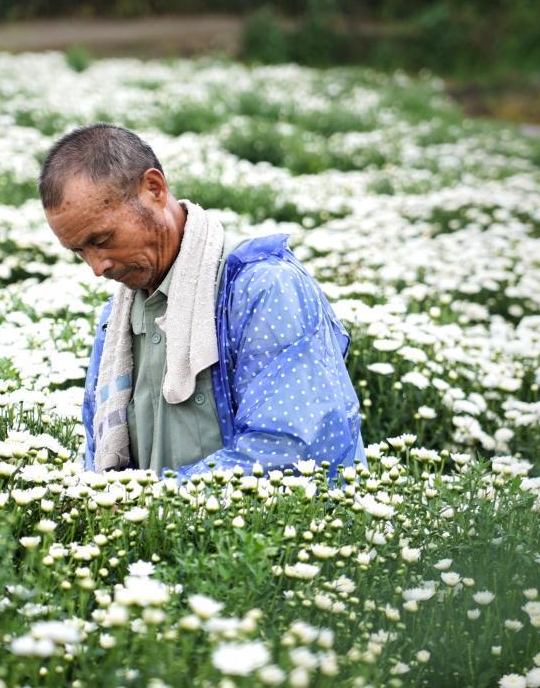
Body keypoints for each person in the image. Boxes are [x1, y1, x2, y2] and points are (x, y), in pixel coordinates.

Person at [38, 123, 366, 479]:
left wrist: (150, 506)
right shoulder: (115, 320)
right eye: (78, 252)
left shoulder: (263, 289)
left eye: (101, 239)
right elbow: (97, 455)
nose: (96, 267)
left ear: (153, 188)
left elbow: (292, 452)